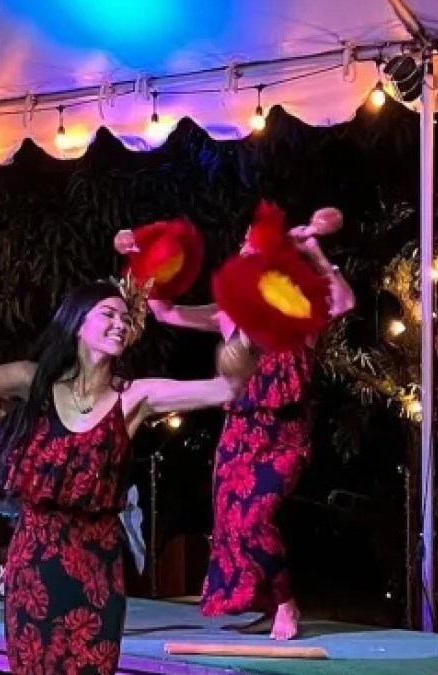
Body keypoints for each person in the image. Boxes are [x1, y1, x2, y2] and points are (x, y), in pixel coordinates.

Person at [0, 281, 246, 675]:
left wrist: (241, 347)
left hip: (96, 567)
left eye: (125, 317)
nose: (120, 323)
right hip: (35, 562)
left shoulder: (134, 397)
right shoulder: (34, 382)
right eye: (108, 314)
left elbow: (225, 388)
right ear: (78, 324)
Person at [117, 221, 355, 640]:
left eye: (253, 241)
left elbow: (345, 301)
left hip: (284, 437)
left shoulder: (300, 312)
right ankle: (268, 602)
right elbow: (164, 311)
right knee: (230, 525)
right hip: (239, 435)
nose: (245, 245)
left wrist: (315, 252)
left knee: (253, 519)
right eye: (243, 239)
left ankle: (285, 602)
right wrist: (142, 257)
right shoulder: (229, 315)